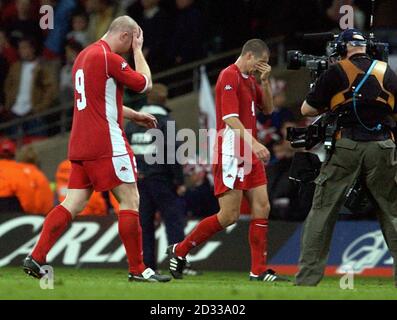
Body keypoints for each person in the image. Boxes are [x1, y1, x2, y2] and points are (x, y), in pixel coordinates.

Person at [22, 16, 171, 283]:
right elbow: (144, 84)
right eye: (133, 40)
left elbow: (99, 102)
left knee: (73, 202)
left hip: (81, 143)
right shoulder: (108, 57)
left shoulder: (83, 56)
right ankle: (138, 269)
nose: (131, 46)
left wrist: (133, 114)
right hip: (106, 142)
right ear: (125, 36)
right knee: (130, 199)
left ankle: (36, 256)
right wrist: (138, 51)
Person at [167, 39, 288, 282]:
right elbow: (230, 118)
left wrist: (265, 82)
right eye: (261, 64)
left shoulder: (251, 80)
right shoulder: (228, 76)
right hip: (233, 152)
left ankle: (258, 270)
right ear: (250, 56)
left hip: (249, 155)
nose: (262, 68)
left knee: (262, 206)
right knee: (229, 216)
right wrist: (254, 143)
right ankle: (180, 250)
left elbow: (267, 109)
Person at [295, 29, 397, 286]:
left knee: (323, 211)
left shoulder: (337, 71)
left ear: (342, 49)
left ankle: (307, 279)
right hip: (384, 146)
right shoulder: (388, 71)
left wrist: (333, 99)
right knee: (392, 214)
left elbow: (307, 110)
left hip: (347, 145)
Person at [125, 83, 188, 271]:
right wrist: (179, 180)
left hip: (138, 181)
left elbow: (125, 150)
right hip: (162, 180)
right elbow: (172, 152)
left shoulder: (132, 123)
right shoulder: (165, 121)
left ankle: (146, 266)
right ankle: (178, 264)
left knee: (143, 225)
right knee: (173, 221)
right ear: (164, 100)